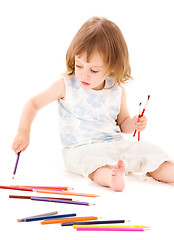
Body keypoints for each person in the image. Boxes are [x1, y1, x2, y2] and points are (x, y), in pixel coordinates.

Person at [12, 17, 174, 191]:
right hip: (79, 149)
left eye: (94, 70)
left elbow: (123, 123)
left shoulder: (116, 90)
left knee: (146, 150)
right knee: (92, 161)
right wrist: (23, 132)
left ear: (112, 68)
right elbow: (33, 104)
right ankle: (111, 179)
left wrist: (133, 124)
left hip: (114, 144)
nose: (83, 75)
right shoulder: (66, 86)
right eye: (79, 65)